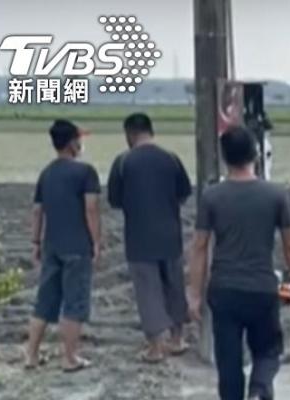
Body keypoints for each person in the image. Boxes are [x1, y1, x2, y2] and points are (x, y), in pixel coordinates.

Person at [187, 125, 290, 400]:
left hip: (223, 289)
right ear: (255, 154)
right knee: (268, 350)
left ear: (225, 158)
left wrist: (194, 294)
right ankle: (259, 393)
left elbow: (199, 247)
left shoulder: (212, 196)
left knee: (228, 359)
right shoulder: (276, 194)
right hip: (262, 287)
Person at [107, 113, 192, 363]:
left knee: (148, 291)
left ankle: (156, 347)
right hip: (170, 236)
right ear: (150, 131)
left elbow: (115, 200)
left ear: (129, 134)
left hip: (139, 238)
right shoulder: (171, 159)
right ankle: (177, 339)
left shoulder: (123, 163)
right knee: (174, 287)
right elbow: (183, 194)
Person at [24, 119, 101, 373]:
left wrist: (36, 242)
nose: (81, 143)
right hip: (77, 247)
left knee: (44, 301)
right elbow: (91, 209)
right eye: (79, 139)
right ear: (71, 143)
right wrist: (97, 241)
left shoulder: (46, 174)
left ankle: (31, 355)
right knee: (74, 302)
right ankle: (70, 358)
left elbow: (37, 212)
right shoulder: (85, 172)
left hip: (52, 246)